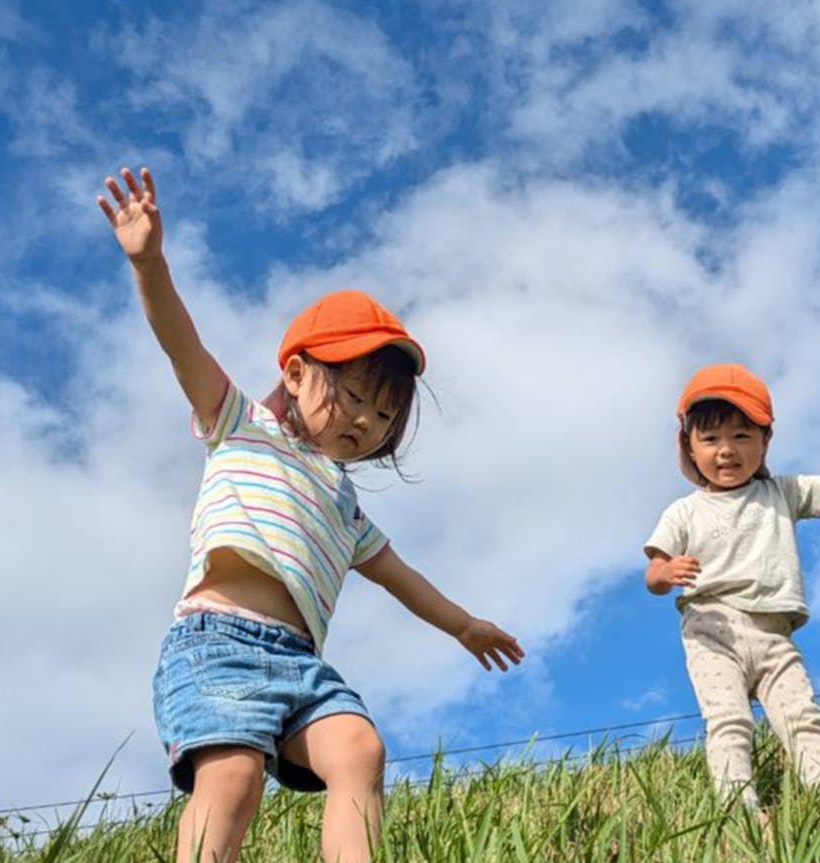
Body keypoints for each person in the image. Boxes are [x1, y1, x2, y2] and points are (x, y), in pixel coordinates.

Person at [97, 167, 526, 863]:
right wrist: (149, 263)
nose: (368, 419)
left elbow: (401, 576)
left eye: (385, 414)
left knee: (360, 746)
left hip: (302, 663)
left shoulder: (344, 502)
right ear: (294, 372)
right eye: (354, 394)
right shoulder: (240, 424)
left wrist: (465, 624)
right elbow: (181, 344)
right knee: (231, 779)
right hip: (218, 646)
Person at [643, 363, 820, 808]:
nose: (727, 450)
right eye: (710, 439)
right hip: (712, 628)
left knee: (803, 717)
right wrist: (666, 572)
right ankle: (740, 812)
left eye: (742, 436)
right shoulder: (684, 511)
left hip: (775, 633)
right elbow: (654, 576)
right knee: (729, 720)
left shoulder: (781, 492)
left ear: (765, 441)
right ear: (689, 447)